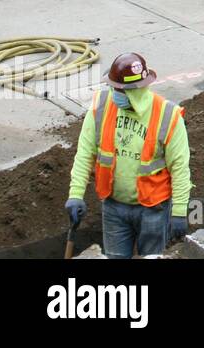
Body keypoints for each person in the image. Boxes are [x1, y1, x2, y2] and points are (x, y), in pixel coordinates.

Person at [65, 53, 192, 259]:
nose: (115, 93)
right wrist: (75, 195)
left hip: (153, 209)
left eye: (119, 89)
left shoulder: (167, 115)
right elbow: (84, 153)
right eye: (113, 87)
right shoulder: (102, 106)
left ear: (136, 91)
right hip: (114, 207)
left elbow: (180, 168)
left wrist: (178, 211)